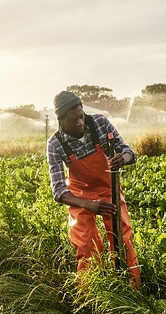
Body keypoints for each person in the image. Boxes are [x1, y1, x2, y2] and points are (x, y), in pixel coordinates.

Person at [46, 90, 141, 289]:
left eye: (81, 117)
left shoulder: (99, 123)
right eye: (74, 121)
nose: (80, 123)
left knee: (121, 238)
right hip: (79, 196)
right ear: (61, 121)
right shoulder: (55, 144)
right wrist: (88, 204)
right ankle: (91, 295)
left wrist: (122, 158)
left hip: (108, 189)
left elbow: (128, 151)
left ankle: (132, 290)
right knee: (85, 245)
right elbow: (58, 191)